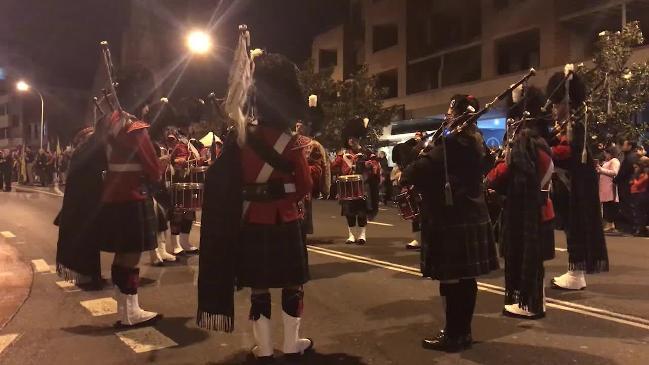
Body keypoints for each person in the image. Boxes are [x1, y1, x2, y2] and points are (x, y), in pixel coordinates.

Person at [197, 50, 314, 362]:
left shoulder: (241, 139)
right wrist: (283, 190)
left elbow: (227, 182)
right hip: (285, 219)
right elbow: (304, 187)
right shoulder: (292, 141)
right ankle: (291, 342)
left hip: (252, 220)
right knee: (292, 285)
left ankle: (263, 348)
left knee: (258, 288)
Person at [401, 94, 499, 352]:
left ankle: (454, 335)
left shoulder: (450, 145)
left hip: (450, 218)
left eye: (449, 112)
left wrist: (421, 149)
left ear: (456, 114)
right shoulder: (477, 141)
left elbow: (412, 173)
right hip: (472, 213)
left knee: (452, 279)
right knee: (466, 279)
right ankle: (461, 331)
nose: (446, 116)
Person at [486, 86, 555, 319]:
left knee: (528, 260)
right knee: (535, 262)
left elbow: (502, 175)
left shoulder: (525, 144)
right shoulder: (540, 141)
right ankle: (536, 303)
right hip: (541, 207)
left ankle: (530, 305)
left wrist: (496, 168)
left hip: (527, 210)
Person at [546, 68, 609, 291]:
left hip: (577, 185)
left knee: (577, 226)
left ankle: (576, 272)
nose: (554, 109)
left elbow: (568, 152)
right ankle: (575, 271)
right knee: (572, 227)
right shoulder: (567, 127)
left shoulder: (576, 127)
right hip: (570, 184)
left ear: (567, 103)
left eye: (556, 104)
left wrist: (545, 150)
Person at [55, 127, 107, 289]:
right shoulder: (84, 152)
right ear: (85, 138)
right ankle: (90, 277)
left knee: (91, 241)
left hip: (87, 202)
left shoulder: (84, 151)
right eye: (91, 136)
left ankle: (93, 275)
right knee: (87, 241)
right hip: (83, 204)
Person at [331, 118, 380, 245]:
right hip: (347, 188)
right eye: (349, 138)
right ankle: (351, 235)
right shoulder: (342, 154)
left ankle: (362, 235)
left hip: (362, 186)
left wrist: (371, 165)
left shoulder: (367, 153)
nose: (351, 140)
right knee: (349, 212)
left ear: (358, 138)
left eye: (353, 138)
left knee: (362, 212)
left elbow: (376, 167)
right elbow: (334, 167)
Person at [166, 132, 200, 255]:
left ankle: (185, 242)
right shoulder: (178, 146)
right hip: (180, 185)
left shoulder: (191, 145)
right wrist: (181, 162)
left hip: (190, 185)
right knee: (178, 214)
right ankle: (175, 244)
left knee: (189, 213)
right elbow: (174, 162)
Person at [614, 140, 641, 231]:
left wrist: (615, 180)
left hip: (626, 185)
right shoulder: (634, 156)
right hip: (630, 185)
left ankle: (631, 227)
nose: (622, 147)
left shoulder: (630, 158)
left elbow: (623, 172)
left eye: (624, 145)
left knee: (627, 206)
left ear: (629, 146)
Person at [597, 145, 621, 232]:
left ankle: (610, 224)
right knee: (607, 205)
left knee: (610, 205)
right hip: (605, 186)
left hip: (610, 186)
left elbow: (615, 172)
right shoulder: (608, 161)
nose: (605, 155)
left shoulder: (614, 161)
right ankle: (610, 224)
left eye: (606, 154)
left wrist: (601, 170)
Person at [629, 157, 649, 236]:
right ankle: (640, 229)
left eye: (636, 167)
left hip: (642, 194)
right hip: (637, 194)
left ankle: (641, 230)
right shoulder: (638, 175)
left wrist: (634, 180)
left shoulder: (644, 174)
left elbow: (638, 184)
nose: (635, 169)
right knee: (639, 212)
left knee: (641, 213)